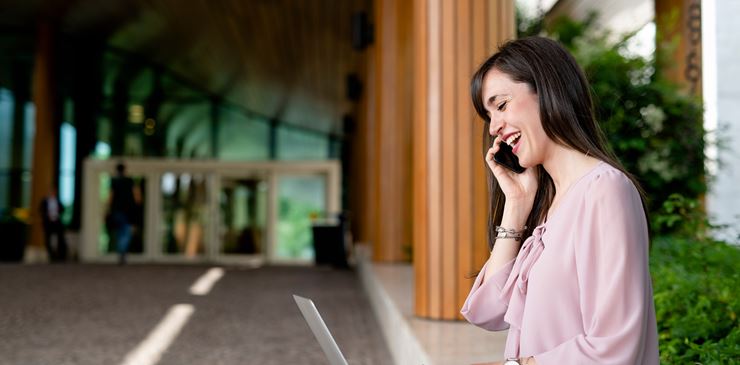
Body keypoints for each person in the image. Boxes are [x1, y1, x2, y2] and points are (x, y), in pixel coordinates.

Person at [460, 37, 659, 365]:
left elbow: (615, 345)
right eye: (488, 115)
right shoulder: (549, 204)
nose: (494, 127)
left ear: (546, 90)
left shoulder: (605, 192)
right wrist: (517, 203)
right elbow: (487, 310)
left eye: (501, 105)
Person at [108, 163, 140, 265]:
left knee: (120, 233)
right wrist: (137, 206)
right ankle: (122, 252)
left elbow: (111, 197)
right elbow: (137, 196)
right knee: (126, 232)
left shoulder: (114, 181)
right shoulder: (130, 181)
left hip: (117, 211)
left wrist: (108, 209)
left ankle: (121, 252)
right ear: (125, 170)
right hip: (128, 211)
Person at [40, 187, 68, 262]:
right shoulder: (45, 201)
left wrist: (57, 214)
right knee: (47, 239)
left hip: (57, 222)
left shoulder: (58, 201)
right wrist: (46, 215)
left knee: (61, 238)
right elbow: (41, 210)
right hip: (48, 222)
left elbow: (62, 209)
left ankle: (60, 256)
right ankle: (51, 256)